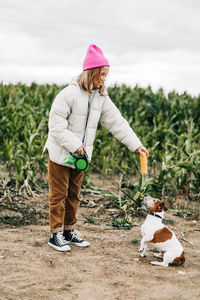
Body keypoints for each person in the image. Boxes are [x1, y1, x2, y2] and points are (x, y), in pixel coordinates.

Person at [43, 44, 148, 252]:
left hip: (81, 156)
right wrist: (75, 145)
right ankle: (55, 235)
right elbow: (55, 126)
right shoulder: (68, 94)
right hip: (60, 153)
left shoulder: (101, 97)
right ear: (91, 73)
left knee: (74, 194)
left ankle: (69, 231)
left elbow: (117, 122)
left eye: (106, 75)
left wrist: (137, 145)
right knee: (59, 195)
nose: (104, 79)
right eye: (101, 74)